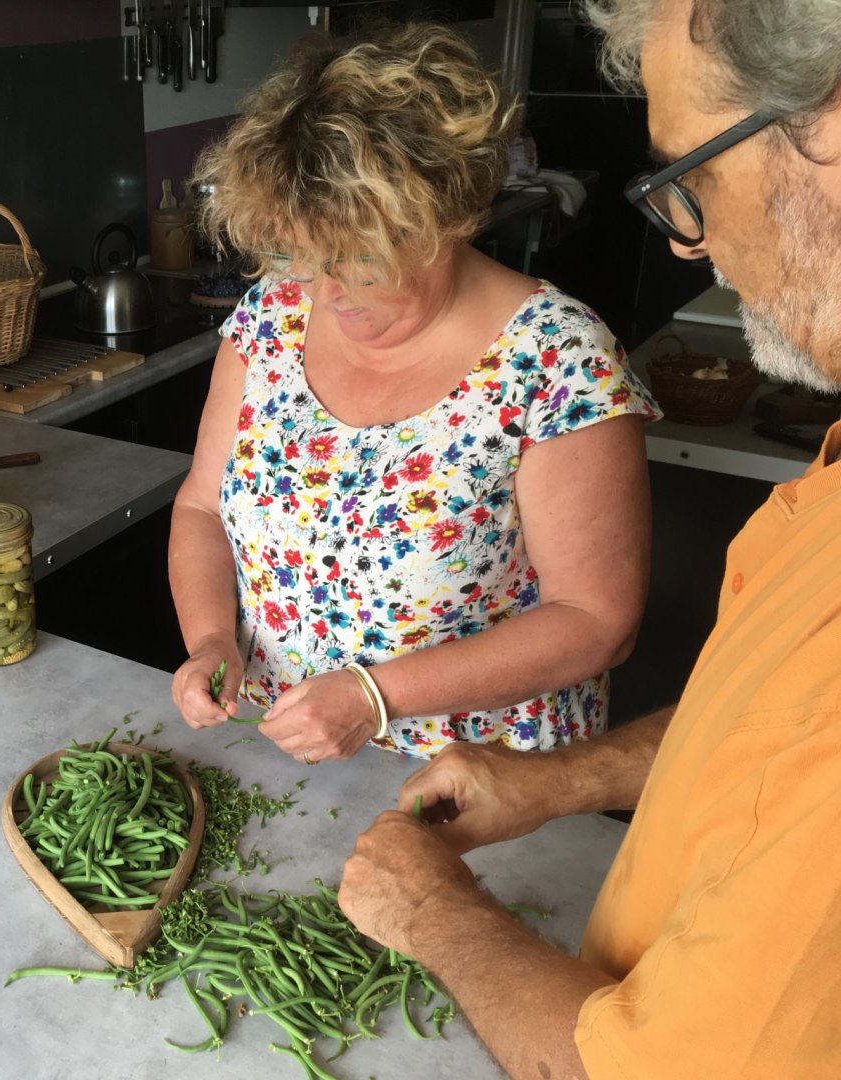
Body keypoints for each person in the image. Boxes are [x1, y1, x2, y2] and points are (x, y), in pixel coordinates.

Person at [337, 2, 841, 1077]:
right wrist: (558, 781)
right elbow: (761, 741)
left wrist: (430, 915)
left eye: (691, 173)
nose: (686, 238)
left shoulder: (553, 349)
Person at [168, 24, 659, 763]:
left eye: (359, 259)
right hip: (289, 750)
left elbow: (597, 619)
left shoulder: (556, 360)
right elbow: (202, 507)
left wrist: (375, 696)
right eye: (303, 255)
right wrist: (211, 638)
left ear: (446, 218)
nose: (326, 292)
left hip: (479, 780)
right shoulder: (272, 314)